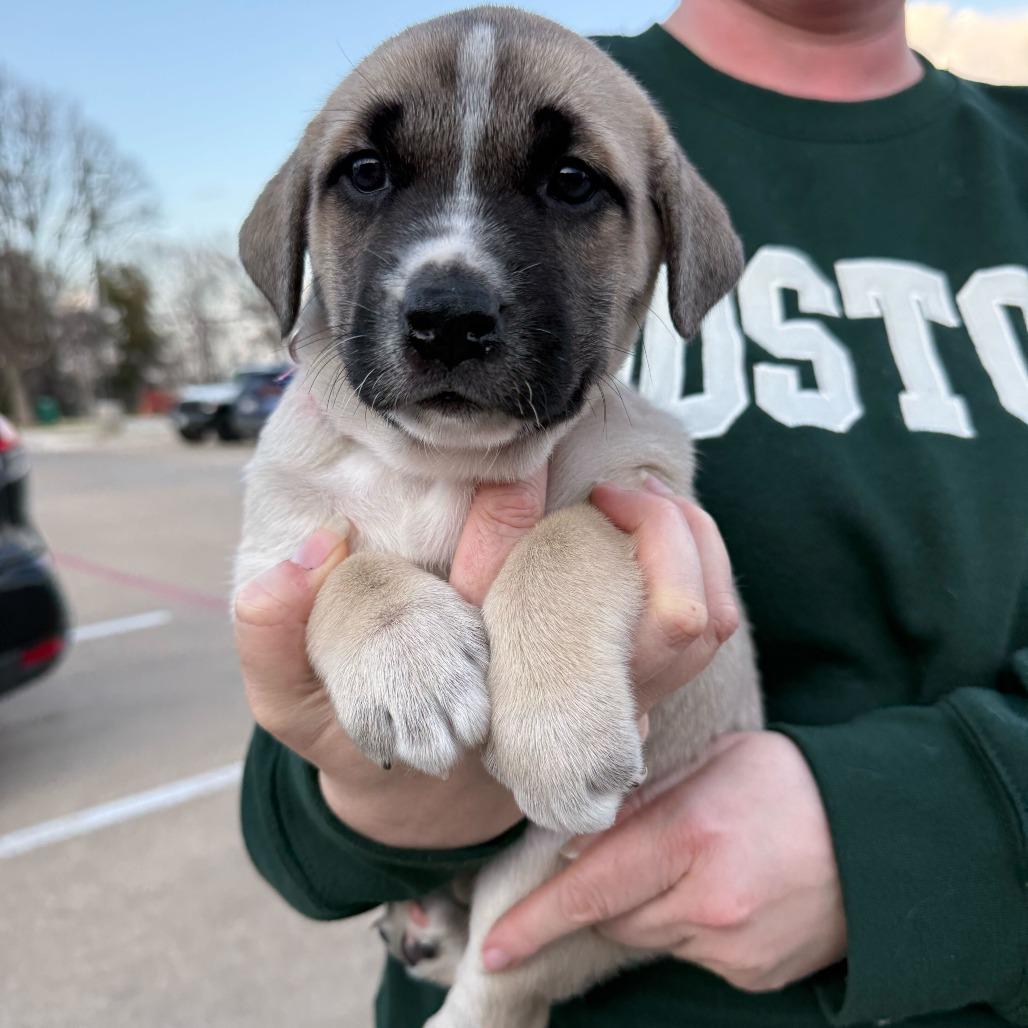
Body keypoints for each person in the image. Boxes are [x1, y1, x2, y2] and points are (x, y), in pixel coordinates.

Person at [235, 1, 1028, 1025]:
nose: (452, 282)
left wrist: (939, 830)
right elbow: (286, 821)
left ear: (672, 250)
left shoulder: (634, 137)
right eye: (370, 177)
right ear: (299, 222)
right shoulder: (566, 76)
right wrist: (370, 793)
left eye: (568, 187)